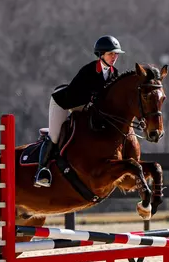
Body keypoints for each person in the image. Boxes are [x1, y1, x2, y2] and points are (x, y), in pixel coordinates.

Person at [34, 35, 125, 188]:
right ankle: (41, 171)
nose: (114, 57)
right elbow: (74, 95)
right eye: (111, 54)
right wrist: (92, 96)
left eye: (116, 54)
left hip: (86, 106)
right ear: (101, 55)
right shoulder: (88, 71)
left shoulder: (114, 73)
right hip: (64, 102)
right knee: (55, 136)